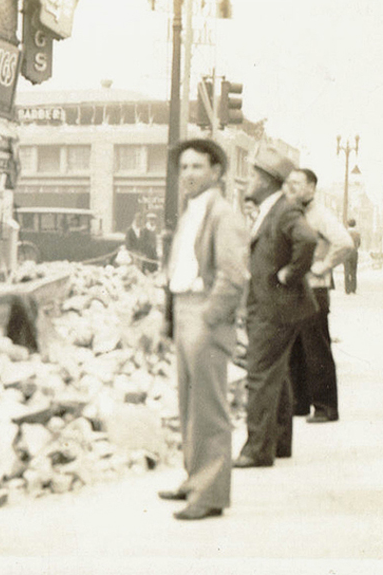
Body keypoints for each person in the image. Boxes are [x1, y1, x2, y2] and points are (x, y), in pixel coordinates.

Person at [158, 139, 248, 520]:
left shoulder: (223, 214)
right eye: (184, 168)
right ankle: (195, 479)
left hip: (204, 314)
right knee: (188, 405)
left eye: (197, 167)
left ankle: (210, 494)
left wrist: (210, 318)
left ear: (216, 172)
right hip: (183, 311)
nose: (189, 174)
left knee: (209, 408)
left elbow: (233, 275)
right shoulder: (190, 211)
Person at [234, 146, 318, 468]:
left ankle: (257, 449)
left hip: (274, 307)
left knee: (259, 375)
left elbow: (307, 241)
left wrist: (290, 274)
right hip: (275, 306)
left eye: (255, 175)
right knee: (277, 375)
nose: (250, 180)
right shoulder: (273, 208)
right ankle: (279, 442)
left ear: (268, 180)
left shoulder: (284, 210)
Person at [283, 169, 354, 423]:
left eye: (298, 184)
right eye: (289, 183)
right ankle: (299, 404)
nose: (291, 188)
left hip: (315, 289)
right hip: (297, 289)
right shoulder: (296, 213)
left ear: (312, 187)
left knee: (317, 349)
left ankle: (325, 407)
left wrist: (322, 266)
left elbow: (345, 243)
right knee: (297, 348)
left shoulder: (320, 214)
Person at [344, 218, 361, 294]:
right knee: (353, 271)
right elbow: (359, 243)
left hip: (346, 253)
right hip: (354, 253)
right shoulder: (357, 233)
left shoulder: (345, 232)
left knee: (346, 272)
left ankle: (347, 289)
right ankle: (353, 289)